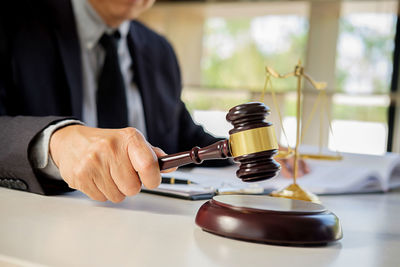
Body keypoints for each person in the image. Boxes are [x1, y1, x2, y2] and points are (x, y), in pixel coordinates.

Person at [0, 0, 233, 203]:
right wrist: (57, 143)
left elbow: (186, 138)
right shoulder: (14, 22)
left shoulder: (160, 50)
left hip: (150, 227)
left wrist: (243, 148)